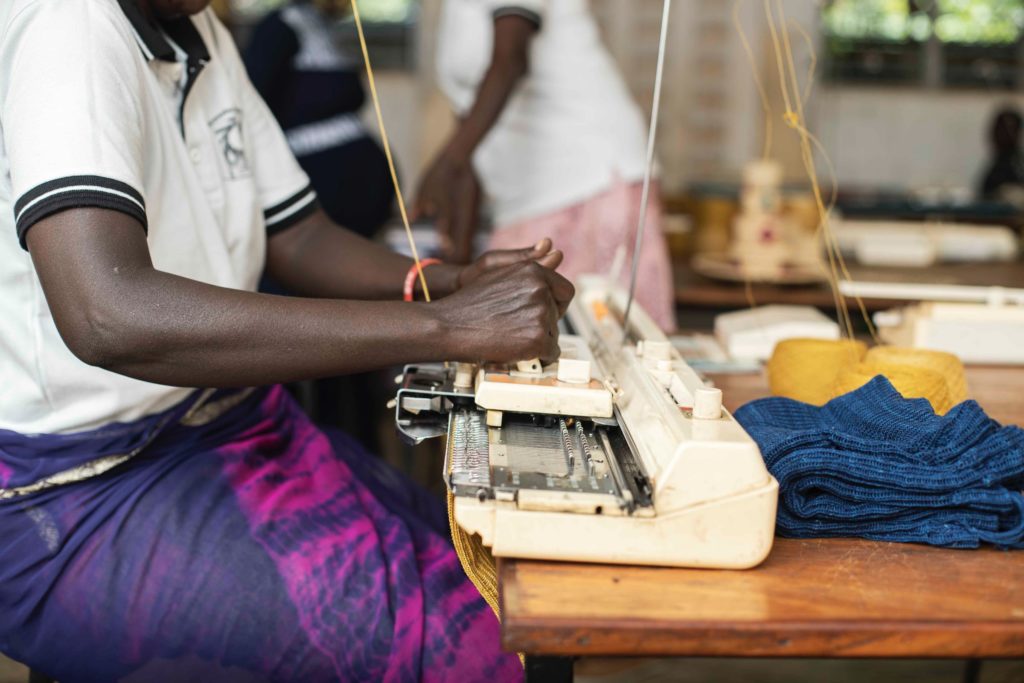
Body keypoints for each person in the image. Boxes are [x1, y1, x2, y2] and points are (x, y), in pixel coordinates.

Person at [0, 0, 573, 681]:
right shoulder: (68, 26)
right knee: (461, 642)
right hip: (81, 492)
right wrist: (449, 327)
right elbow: (107, 312)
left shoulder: (198, 29)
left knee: (485, 574)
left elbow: (298, 233)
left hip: (222, 426)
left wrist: (448, 282)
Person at [416, 0, 676, 331]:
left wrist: (446, 166)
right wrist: (456, 269)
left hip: (587, 175)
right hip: (527, 190)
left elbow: (509, 62)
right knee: (508, 334)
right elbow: (471, 127)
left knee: (593, 347)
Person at [243, 0, 393, 238]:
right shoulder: (279, 27)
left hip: (353, 191)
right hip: (317, 182)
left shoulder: (321, 26)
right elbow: (253, 102)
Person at [980, 106, 1024, 204]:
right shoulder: (999, 163)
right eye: (998, 128)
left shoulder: (1016, 165)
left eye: (1006, 130)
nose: (999, 134)